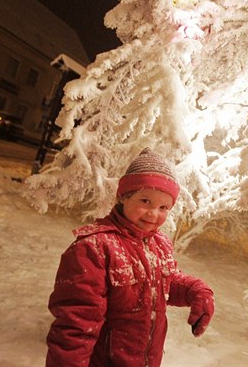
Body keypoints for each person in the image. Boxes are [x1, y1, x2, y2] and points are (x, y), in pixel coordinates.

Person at [46, 148, 215, 367]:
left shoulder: (159, 243)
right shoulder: (94, 248)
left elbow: (164, 282)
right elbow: (75, 326)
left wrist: (195, 289)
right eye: (145, 201)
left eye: (163, 207)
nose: (154, 213)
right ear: (124, 197)